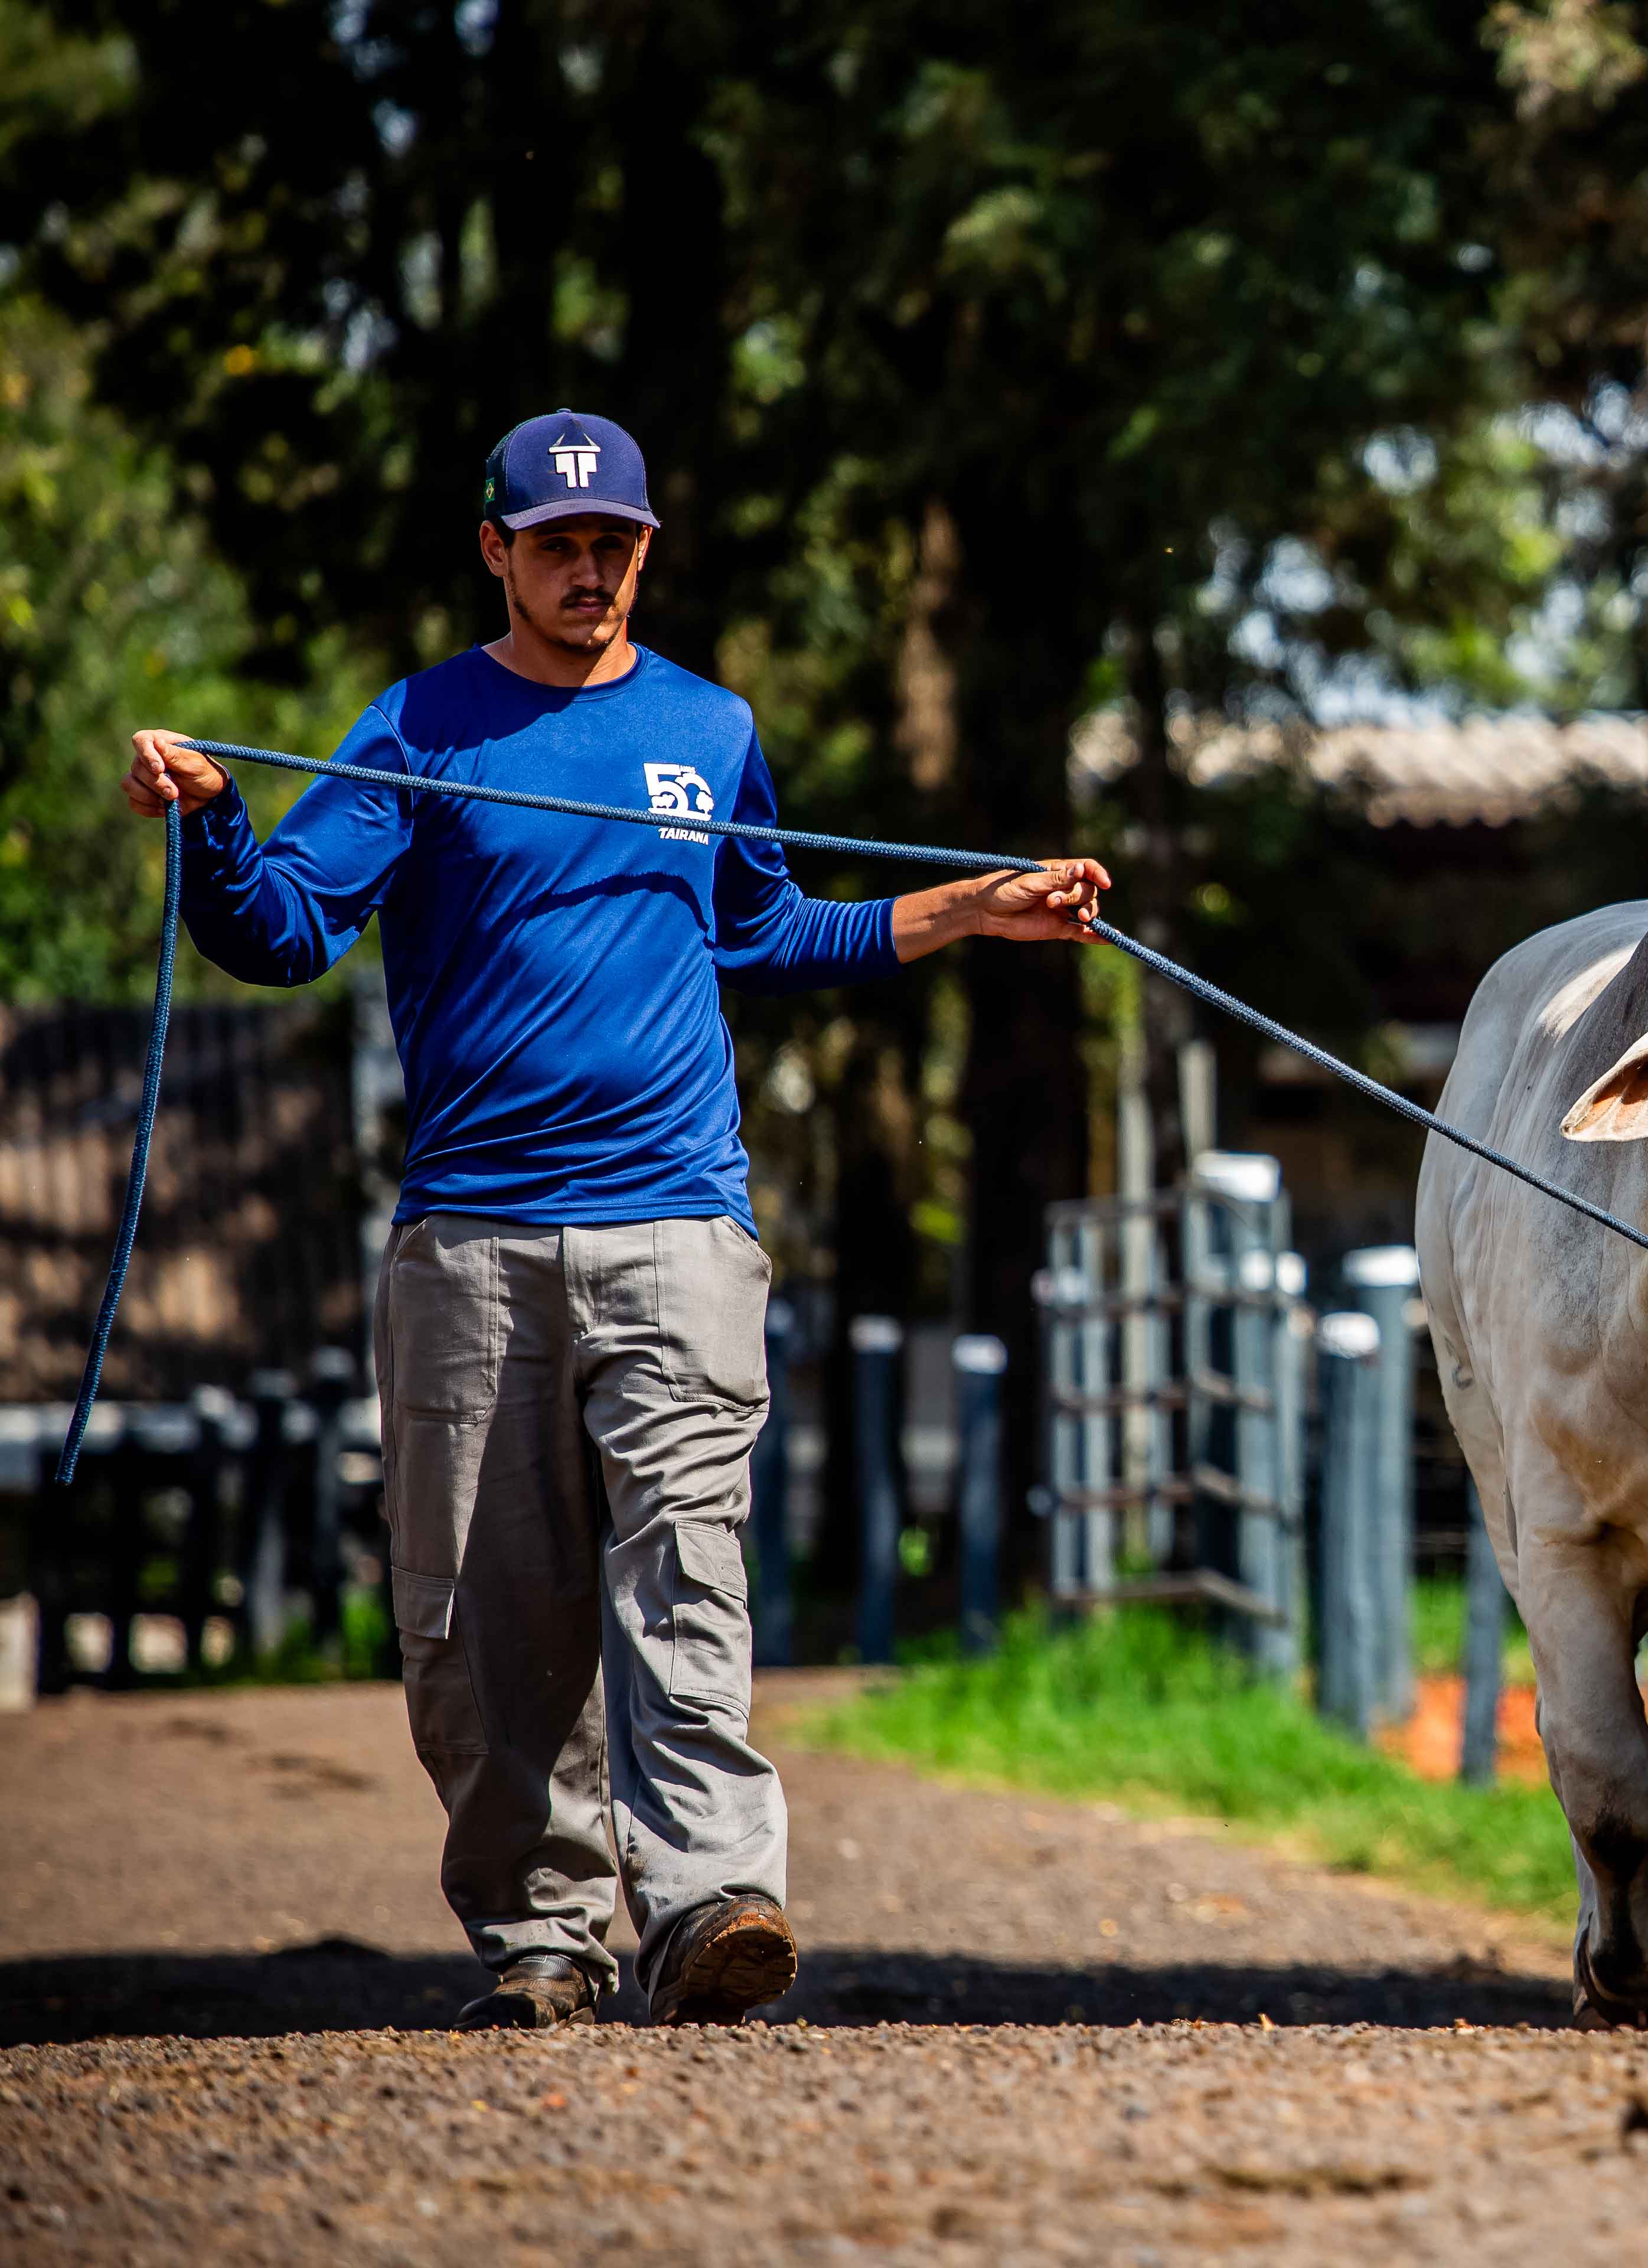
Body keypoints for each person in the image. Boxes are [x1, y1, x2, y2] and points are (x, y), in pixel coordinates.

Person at [122, 410, 1109, 2029]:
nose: (590, 569)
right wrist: (217, 824)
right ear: (497, 551)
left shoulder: (708, 728)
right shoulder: (420, 726)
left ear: (645, 552)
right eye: (558, 542)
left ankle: (713, 1898)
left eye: (617, 544)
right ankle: (542, 1934)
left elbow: (774, 929)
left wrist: (978, 909)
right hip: (472, 1247)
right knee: (486, 1618)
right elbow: (288, 934)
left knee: (687, 1575)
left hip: (680, 1230)